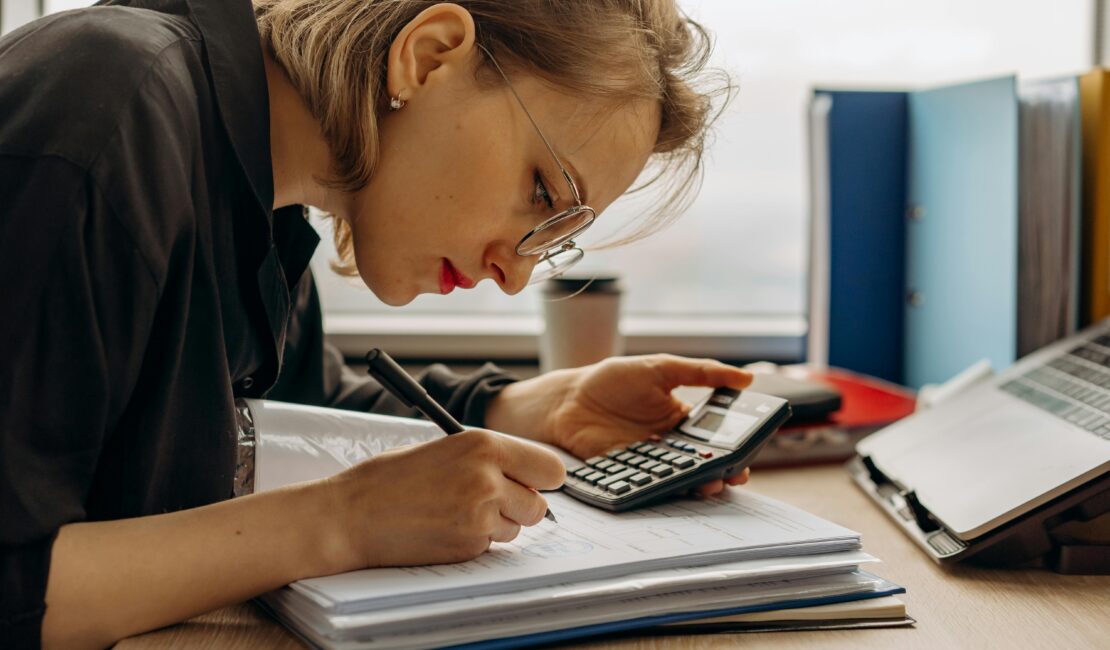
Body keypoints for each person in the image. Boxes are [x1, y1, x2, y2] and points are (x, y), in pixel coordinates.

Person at [0, 0, 755, 647]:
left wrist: (517, 408)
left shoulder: (262, 196)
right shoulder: (108, 106)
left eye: (556, 237)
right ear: (430, 57)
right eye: (541, 193)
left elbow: (293, 407)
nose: (516, 273)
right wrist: (342, 522)